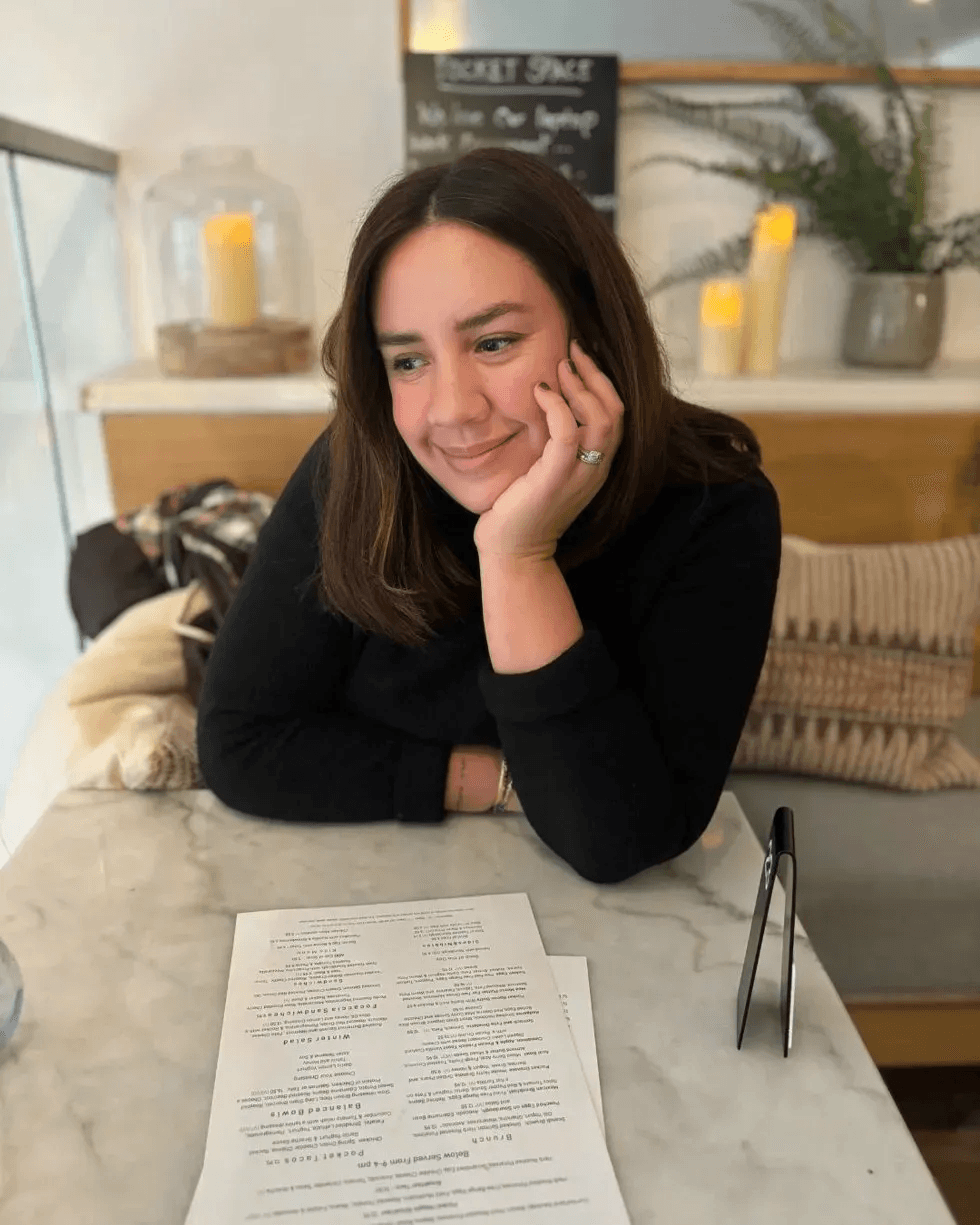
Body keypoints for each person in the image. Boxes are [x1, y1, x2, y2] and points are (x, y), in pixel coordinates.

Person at [197, 148, 782, 884]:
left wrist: (518, 555)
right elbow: (239, 744)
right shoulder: (361, 466)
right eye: (408, 361)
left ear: (592, 328)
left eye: (494, 342)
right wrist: (490, 781)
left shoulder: (714, 506)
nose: (452, 410)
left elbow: (620, 839)